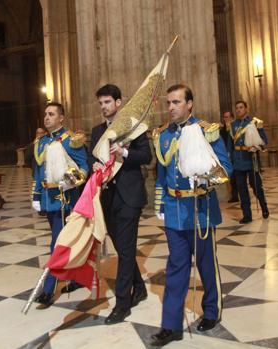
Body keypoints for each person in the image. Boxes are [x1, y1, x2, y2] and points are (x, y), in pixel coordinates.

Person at [150, 84, 232, 347]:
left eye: (176, 102)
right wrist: (161, 206)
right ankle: (171, 325)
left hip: (200, 210)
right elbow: (161, 176)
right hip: (174, 212)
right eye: (168, 103)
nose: (171, 107)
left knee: (207, 266)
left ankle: (211, 312)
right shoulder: (163, 136)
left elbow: (225, 167)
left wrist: (207, 177)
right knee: (176, 268)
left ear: (190, 104)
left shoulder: (207, 132)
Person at [88, 84, 152, 324]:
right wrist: (92, 166)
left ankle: (123, 304)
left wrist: (124, 154)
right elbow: (90, 158)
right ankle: (140, 289)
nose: (104, 107)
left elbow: (146, 156)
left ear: (118, 102)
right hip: (107, 198)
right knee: (123, 249)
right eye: (101, 103)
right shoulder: (97, 131)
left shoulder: (133, 127)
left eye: (107, 102)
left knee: (125, 251)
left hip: (129, 197)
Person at [31, 102, 88, 307]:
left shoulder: (72, 140)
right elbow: (38, 171)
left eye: (51, 114)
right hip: (49, 198)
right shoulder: (42, 142)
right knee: (65, 241)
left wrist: (71, 180)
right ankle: (76, 277)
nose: (47, 117)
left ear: (61, 118)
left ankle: (48, 289)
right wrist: (36, 196)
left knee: (57, 243)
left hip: (67, 199)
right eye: (45, 114)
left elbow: (84, 167)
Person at [229, 100, 269, 224]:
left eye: (241, 107)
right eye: (237, 108)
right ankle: (247, 215)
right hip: (238, 160)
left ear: (246, 109)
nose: (239, 110)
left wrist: (257, 146)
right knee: (241, 189)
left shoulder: (255, 123)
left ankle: (264, 207)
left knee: (256, 186)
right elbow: (230, 145)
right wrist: (229, 159)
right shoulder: (233, 125)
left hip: (251, 159)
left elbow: (264, 140)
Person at [220, 111, 238, 203]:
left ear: (232, 118)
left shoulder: (236, 127)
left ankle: (238, 194)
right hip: (226, 154)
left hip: (236, 155)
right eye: (225, 117)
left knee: (237, 176)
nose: (226, 119)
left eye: (228, 117)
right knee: (230, 176)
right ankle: (233, 195)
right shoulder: (222, 130)